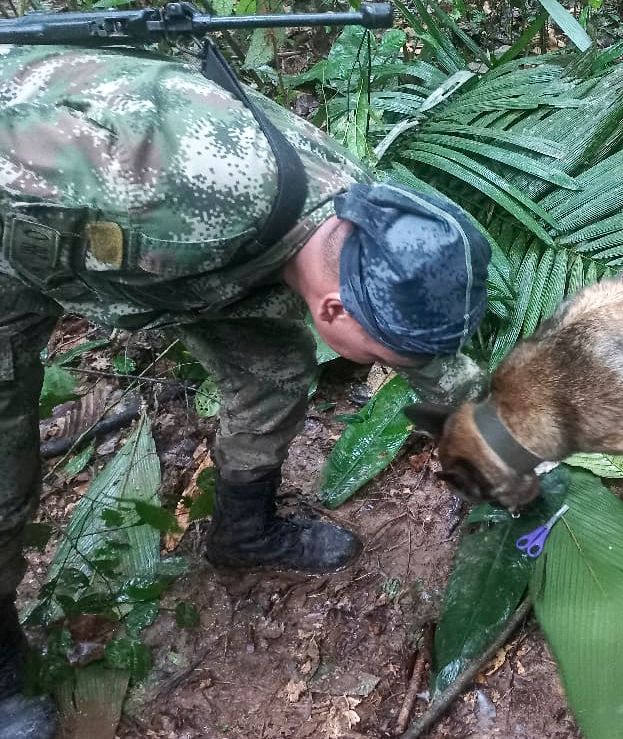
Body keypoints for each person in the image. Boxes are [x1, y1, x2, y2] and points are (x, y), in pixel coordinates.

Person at [0, 43, 491, 737]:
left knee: (275, 373)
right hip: (19, 225)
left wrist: (498, 438)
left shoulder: (363, 221)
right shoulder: (176, 189)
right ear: (334, 313)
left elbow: (425, 352)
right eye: (380, 358)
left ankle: (243, 530)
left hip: (179, 263)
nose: (388, 367)